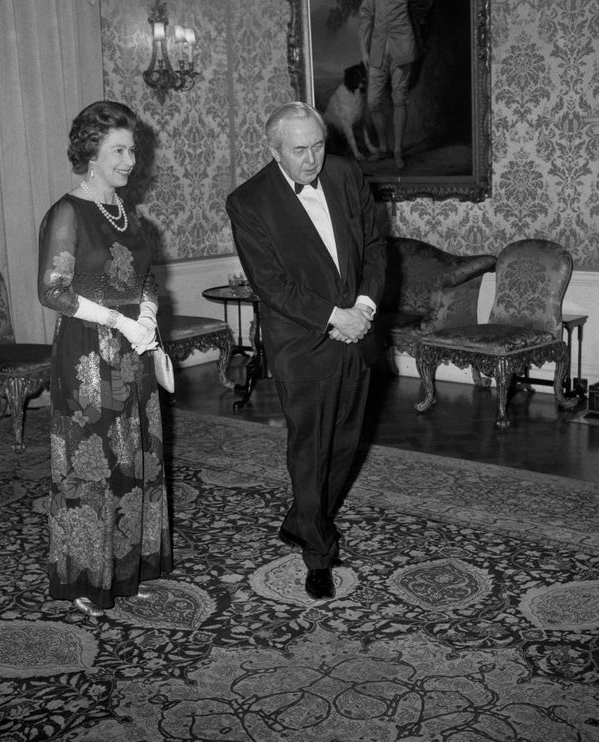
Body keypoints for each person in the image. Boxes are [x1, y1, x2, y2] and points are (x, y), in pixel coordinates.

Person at [225, 102, 387, 600]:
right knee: (310, 449)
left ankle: (302, 519)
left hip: (357, 332)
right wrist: (334, 317)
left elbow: (378, 246)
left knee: (344, 444)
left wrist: (362, 307)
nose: (312, 159)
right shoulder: (248, 202)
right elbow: (271, 285)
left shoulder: (344, 174)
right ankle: (319, 553)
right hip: (303, 343)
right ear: (274, 151)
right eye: (300, 150)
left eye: (318, 145)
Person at [37, 100, 172, 617]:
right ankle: (85, 580)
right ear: (91, 154)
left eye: (132, 150)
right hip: (88, 355)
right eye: (118, 150)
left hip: (134, 350)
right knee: (91, 462)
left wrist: (148, 316)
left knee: (136, 454)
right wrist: (118, 321)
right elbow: (53, 292)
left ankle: (131, 569)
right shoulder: (68, 213)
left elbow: (147, 279)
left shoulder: (129, 214)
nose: (129, 160)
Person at [358, 0, 424, 169]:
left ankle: (397, 151)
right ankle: (382, 147)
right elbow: (366, 15)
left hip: (403, 47)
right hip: (378, 48)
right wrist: (364, 50)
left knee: (399, 99)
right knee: (373, 102)